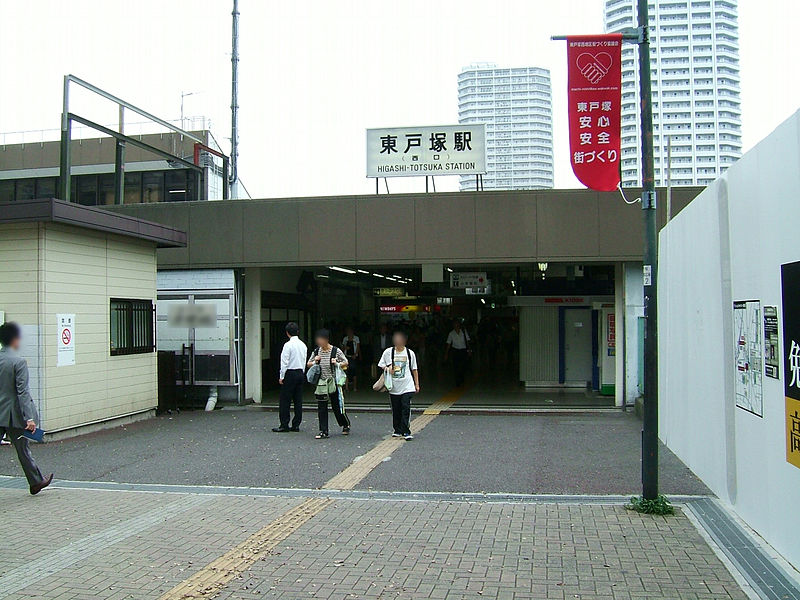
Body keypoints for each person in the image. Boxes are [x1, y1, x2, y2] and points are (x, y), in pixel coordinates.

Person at [0, 322, 53, 495]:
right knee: (22, 449)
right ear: (15, 339)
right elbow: (22, 392)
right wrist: (29, 418)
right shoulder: (19, 362)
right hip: (14, 415)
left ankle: (37, 481)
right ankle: (36, 481)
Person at [308, 329, 350, 439]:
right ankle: (323, 431)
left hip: (333, 381)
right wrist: (314, 361)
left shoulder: (335, 351)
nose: (319, 342)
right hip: (322, 382)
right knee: (321, 406)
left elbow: (346, 362)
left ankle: (345, 424)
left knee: (336, 406)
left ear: (326, 340)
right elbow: (308, 364)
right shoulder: (317, 351)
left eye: (321, 340)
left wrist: (337, 363)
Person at [378, 330, 419, 441]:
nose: (398, 341)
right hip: (394, 385)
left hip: (407, 385)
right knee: (396, 408)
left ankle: (406, 431)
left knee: (406, 407)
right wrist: (388, 368)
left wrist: (417, 384)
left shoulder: (410, 353)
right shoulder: (388, 352)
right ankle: (397, 429)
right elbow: (381, 364)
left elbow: (414, 369)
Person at [272, 322, 307, 433]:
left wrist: (281, 376)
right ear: (298, 332)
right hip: (300, 372)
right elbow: (304, 360)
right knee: (298, 400)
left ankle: (284, 424)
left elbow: (284, 362)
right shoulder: (303, 345)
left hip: (290, 373)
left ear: (287, 333)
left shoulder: (288, 345)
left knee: (285, 400)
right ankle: (296, 424)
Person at [444, 319, 471, 387]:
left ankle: (462, 378)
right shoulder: (451, 333)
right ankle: (457, 381)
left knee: (463, 366)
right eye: (454, 324)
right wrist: (446, 354)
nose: (456, 325)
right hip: (455, 351)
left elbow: (467, 341)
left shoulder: (464, 332)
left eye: (457, 324)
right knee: (456, 366)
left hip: (463, 350)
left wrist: (469, 350)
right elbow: (448, 344)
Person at [341, 326, 361, 392]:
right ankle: (346, 387)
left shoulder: (356, 338)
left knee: (354, 371)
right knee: (346, 371)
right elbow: (342, 348)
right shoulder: (345, 339)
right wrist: (345, 348)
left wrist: (355, 355)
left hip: (354, 357)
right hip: (346, 357)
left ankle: (355, 387)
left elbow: (358, 347)